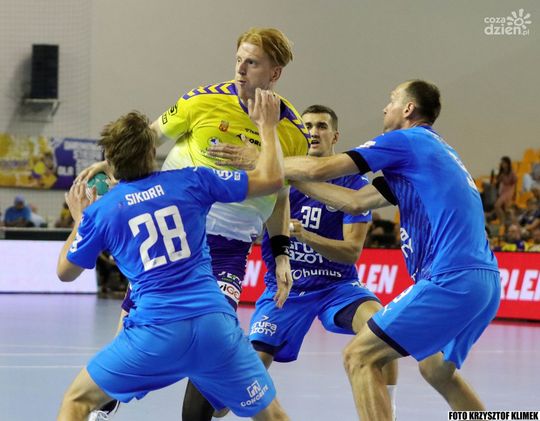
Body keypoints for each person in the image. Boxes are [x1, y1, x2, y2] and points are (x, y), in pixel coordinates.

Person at [78, 27, 309, 421]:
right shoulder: (201, 101)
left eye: (252, 63)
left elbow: (279, 195)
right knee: (136, 325)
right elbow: (149, 137)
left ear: (275, 73)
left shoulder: (293, 130)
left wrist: (281, 254)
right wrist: (109, 163)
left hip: (230, 246)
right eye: (238, 59)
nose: (240, 69)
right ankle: (106, 402)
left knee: (212, 344)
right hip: (178, 237)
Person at [281, 80, 501, 420]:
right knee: (436, 370)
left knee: (359, 356)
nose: (385, 108)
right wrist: (295, 180)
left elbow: (319, 168)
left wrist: (264, 162)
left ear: (408, 109)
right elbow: (355, 202)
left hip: (450, 277)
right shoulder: (432, 154)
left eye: (391, 100)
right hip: (485, 282)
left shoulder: (406, 141)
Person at [247, 105, 398, 416]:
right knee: (240, 385)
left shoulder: (354, 185)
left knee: (384, 328)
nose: (314, 132)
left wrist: (305, 235)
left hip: (337, 287)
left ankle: (389, 410)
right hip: (285, 289)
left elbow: (351, 252)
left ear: (335, 136)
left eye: (321, 126)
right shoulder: (277, 178)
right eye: (308, 126)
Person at [494, 156, 517, 223]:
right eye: (502, 163)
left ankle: (503, 221)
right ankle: (503, 221)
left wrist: (514, 194)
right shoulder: (502, 173)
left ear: (507, 163)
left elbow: (514, 184)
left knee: (497, 205)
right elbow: (497, 182)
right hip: (503, 191)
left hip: (509, 190)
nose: (502, 164)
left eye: (504, 163)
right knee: (504, 209)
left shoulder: (512, 173)